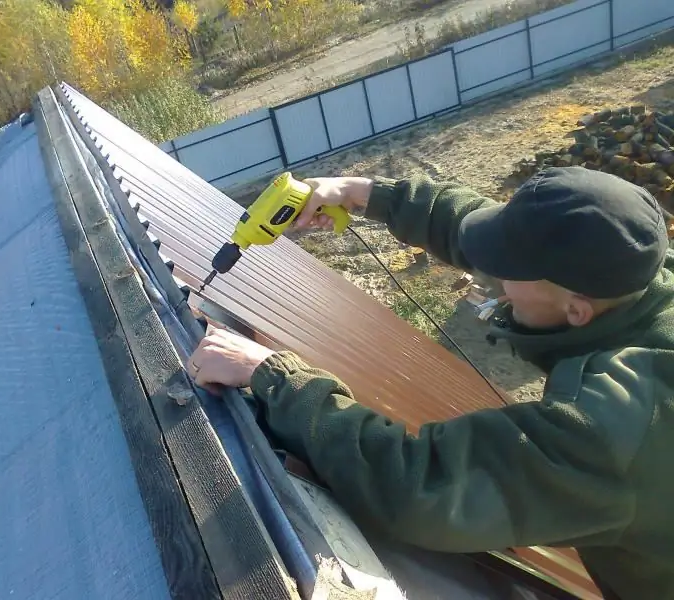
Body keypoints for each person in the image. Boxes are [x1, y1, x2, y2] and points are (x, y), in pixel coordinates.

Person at [186, 166, 674, 600]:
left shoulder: (616, 425)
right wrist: (366, 194)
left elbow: (426, 486)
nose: (493, 279)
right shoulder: (639, 279)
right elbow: (503, 234)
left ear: (576, 309)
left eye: (508, 272)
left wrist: (278, 378)